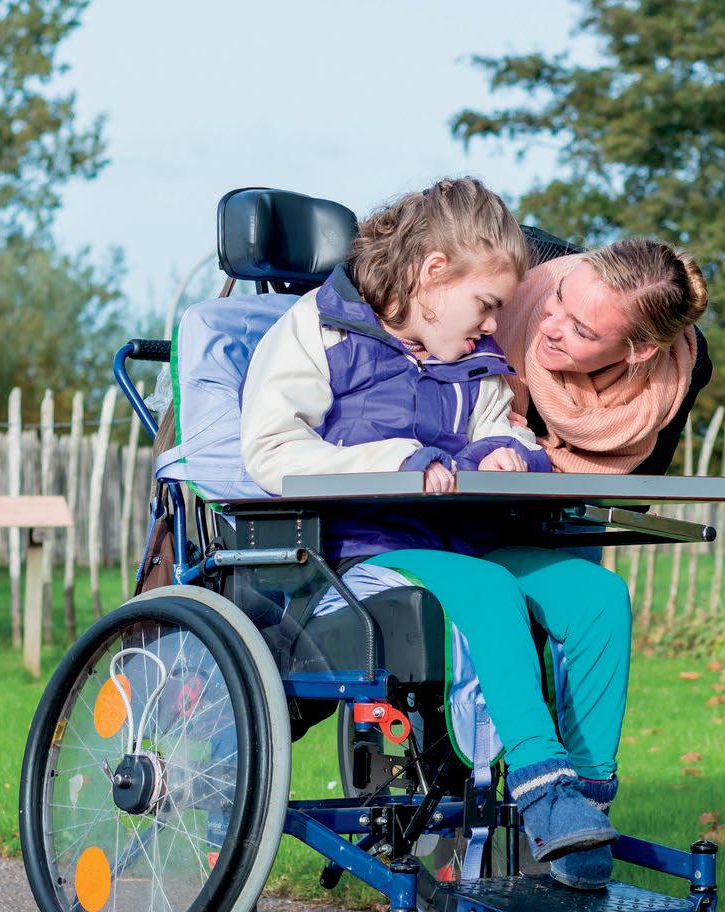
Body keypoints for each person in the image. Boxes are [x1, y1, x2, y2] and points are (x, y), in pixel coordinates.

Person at [240, 178, 629, 890]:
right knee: (484, 587)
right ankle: (543, 792)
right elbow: (270, 453)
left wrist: (507, 453)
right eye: (487, 304)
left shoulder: (474, 358)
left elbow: (499, 431)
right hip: (357, 560)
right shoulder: (317, 332)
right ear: (432, 273)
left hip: (463, 545)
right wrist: (398, 459)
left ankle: (586, 804)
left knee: (596, 596)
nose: (492, 325)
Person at [495, 236, 711, 477]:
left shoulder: (686, 365)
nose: (546, 327)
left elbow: (635, 490)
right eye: (558, 296)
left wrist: (528, 459)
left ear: (639, 351)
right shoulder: (511, 257)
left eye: (580, 331)